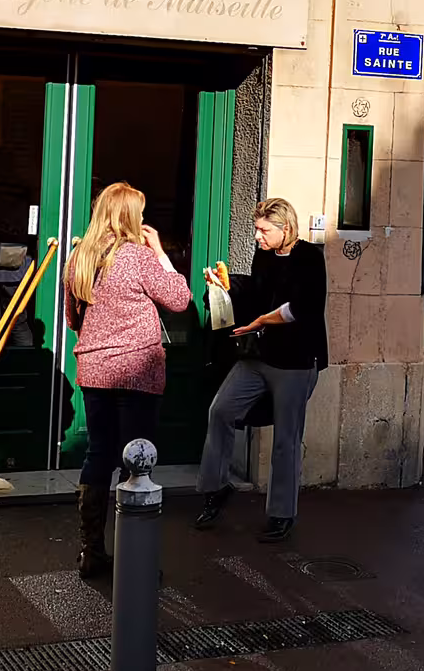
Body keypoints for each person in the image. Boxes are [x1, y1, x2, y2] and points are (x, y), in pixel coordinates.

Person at [63, 181, 191, 579]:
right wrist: (162, 255)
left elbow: (71, 320)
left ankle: (91, 551)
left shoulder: (78, 257)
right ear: (128, 216)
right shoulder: (137, 257)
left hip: (95, 370)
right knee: (137, 460)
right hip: (137, 371)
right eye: (139, 211)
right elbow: (180, 299)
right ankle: (134, 557)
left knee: (98, 455)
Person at [193, 197, 329, 543]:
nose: (257, 236)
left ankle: (282, 514)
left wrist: (260, 321)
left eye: (263, 230)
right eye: (257, 230)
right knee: (220, 410)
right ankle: (216, 488)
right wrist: (226, 288)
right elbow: (255, 292)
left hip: (297, 361)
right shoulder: (264, 256)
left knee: (286, 438)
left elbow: (303, 308)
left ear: (285, 229)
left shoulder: (310, 257)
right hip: (258, 356)